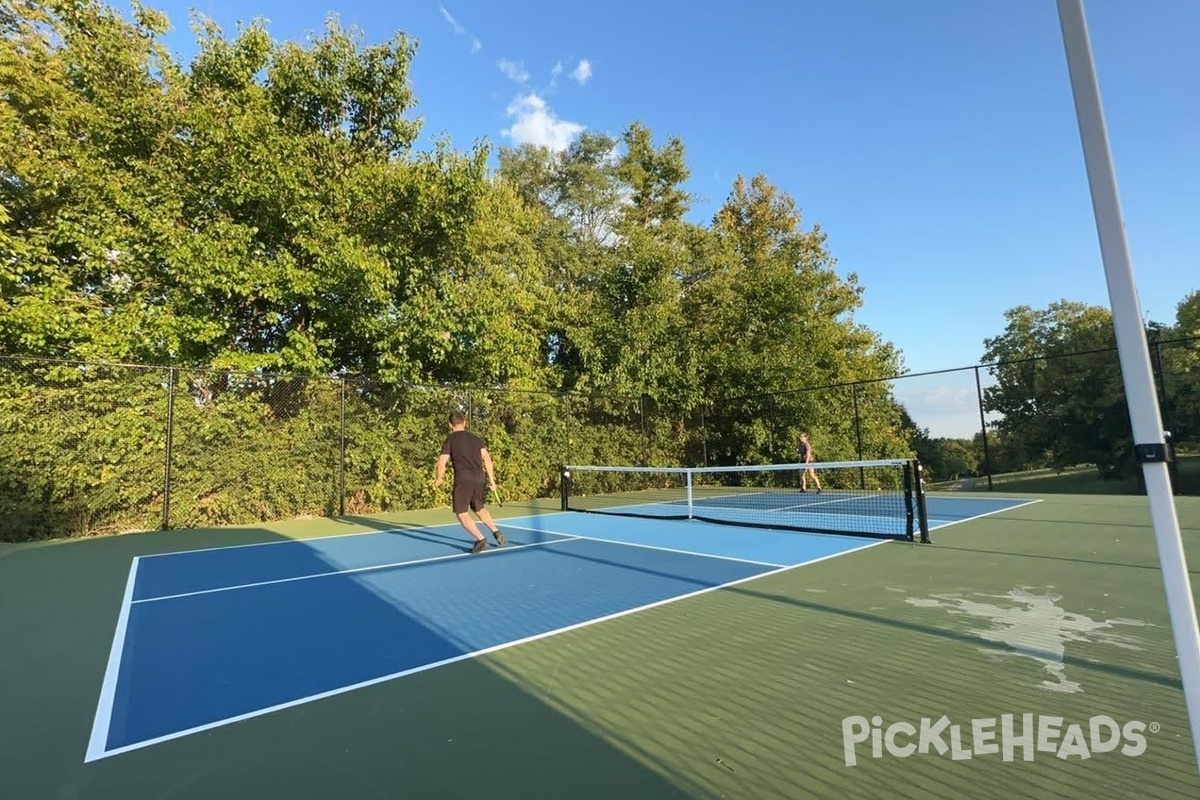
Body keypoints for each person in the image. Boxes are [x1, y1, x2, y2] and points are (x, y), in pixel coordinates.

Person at [434, 411, 507, 553]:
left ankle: (480, 539)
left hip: (463, 478)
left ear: (450, 425)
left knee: (461, 513)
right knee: (479, 508)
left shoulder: (450, 440)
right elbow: (487, 458)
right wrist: (491, 479)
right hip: (479, 477)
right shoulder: (475, 438)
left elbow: (441, 462)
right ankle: (496, 532)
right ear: (465, 422)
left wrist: (439, 478)